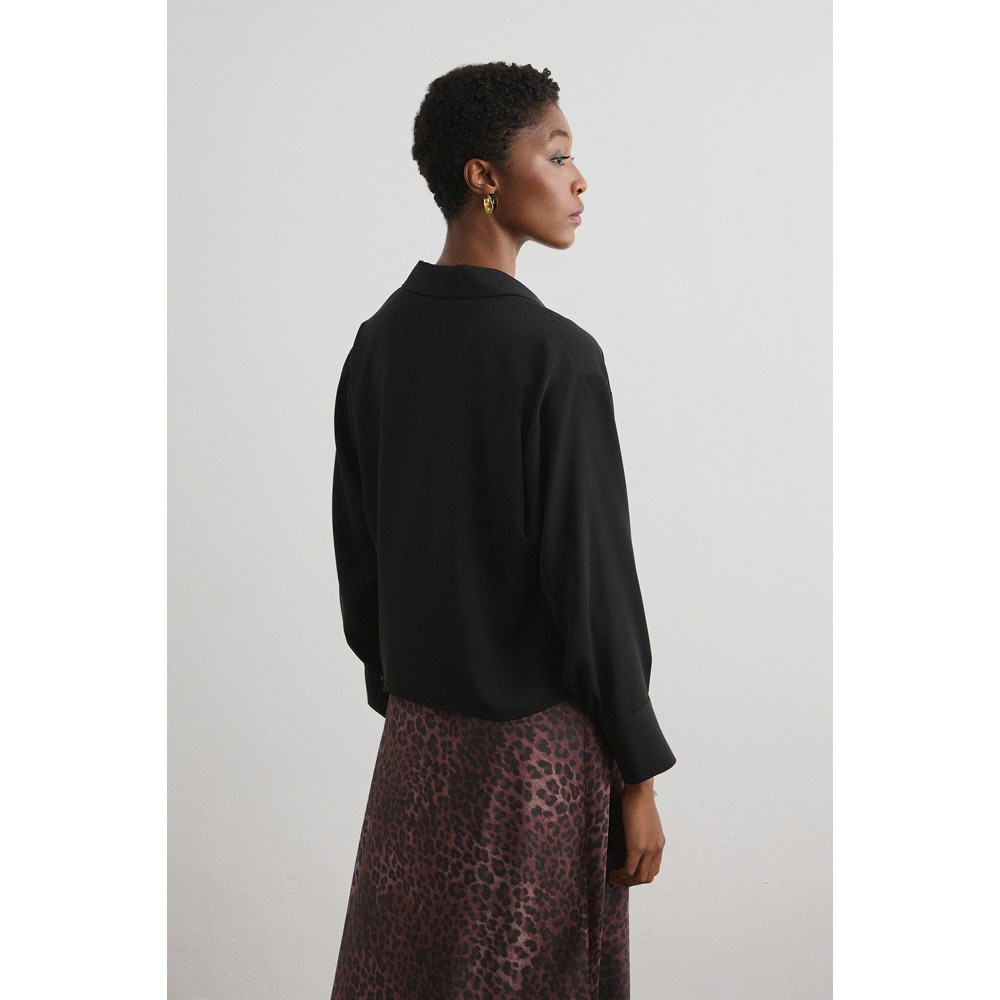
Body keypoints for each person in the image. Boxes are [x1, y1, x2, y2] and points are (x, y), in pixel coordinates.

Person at [329, 61, 677, 1000]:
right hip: (535, 766)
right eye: (556, 154)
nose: (579, 179)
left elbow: (361, 561)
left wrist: (412, 690)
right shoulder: (556, 358)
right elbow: (592, 584)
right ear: (483, 175)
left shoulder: (377, 344)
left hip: (416, 755)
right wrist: (638, 774)